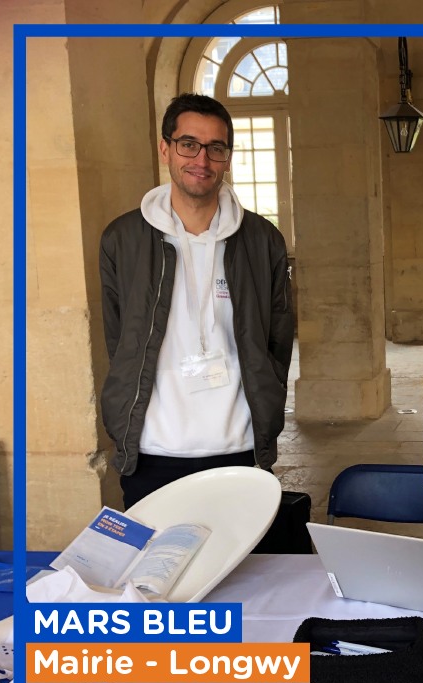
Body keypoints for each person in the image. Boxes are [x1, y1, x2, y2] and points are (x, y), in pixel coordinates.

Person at [99, 93, 293, 508]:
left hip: (239, 447)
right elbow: (120, 340)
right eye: (189, 144)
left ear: (227, 157)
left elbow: (278, 338)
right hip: (153, 450)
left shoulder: (262, 240)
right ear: (165, 148)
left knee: (246, 571)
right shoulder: (123, 239)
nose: (201, 160)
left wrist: (268, 401)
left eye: (215, 148)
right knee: (158, 571)